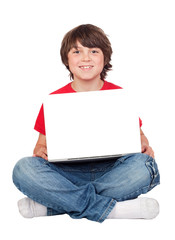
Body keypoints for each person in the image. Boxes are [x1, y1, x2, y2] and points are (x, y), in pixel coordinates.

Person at [12, 24, 160, 223]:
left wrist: (143, 144)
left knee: (144, 166)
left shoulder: (119, 96)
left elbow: (140, 136)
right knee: (23, 168)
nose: (85, 58)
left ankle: (54, 205)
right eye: (77, 51)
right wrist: (40, 150)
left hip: (112, 170)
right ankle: (116, 210)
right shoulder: (53, 100)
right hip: (67, 174)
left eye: (93, 51)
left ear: (105, 58)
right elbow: (40, 145)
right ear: (66, 59)